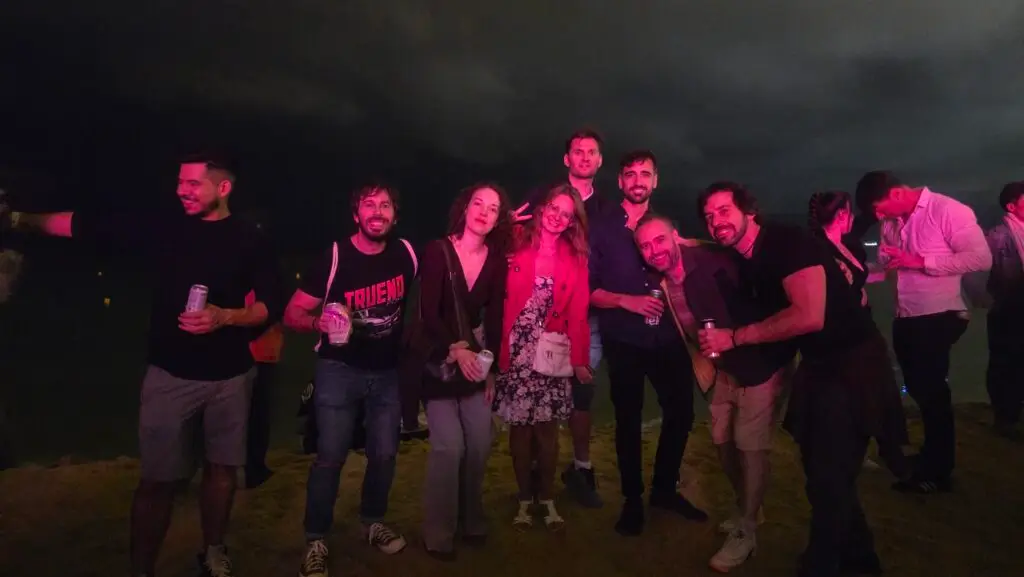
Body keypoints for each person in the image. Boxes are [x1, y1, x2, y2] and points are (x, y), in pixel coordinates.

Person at [6, 155, 284, 577]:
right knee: (157, 482)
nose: (181, 191)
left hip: (231, 377)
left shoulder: (250, 238)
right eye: (179, 182)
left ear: (223, 189)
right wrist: (19, 218)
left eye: (192, 184)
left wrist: (224, 317)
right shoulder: (165, 228)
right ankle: (142, 569)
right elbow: (83, 225)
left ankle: (213, 551)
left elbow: (269, 304)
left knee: (223, 472)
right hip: (169, 377)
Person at [698, 181, 901, 577]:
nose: (716, 221)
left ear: (749, 211)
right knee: (824, 473)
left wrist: (734, 337)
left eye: (724, 210)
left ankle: (822, 564)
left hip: (853, 364)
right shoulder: (748, 256)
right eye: (708, 216)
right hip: (819, 365)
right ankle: (860, 560)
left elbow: (809, 315)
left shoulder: (786, 243)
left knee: (829, 477)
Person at [634, 212, 793, 571]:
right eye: (645, 245)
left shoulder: (714, 262)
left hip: (757, 365)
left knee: (750, 446)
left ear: (676, 236)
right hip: (719, 370)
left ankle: (747, 531)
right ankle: (748, 507)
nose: (653, 250)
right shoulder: (660, 281)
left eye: (660, 240)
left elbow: (764, 282)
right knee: (723, 444)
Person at [283, 183, 418, 577]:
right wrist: (317, 322)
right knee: (330, 457)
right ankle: (316, 539)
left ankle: (372, 521)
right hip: (338, 370)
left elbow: (452, 260)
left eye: (386, 205)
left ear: (396, 214)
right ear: (355, 214)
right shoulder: (335, 257)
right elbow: (293, 313)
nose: (378, 212)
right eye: (369, 205)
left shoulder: (407, 254)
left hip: (388, 372)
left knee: (385, 454)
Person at [590, 150, 706, 536]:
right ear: (620, 181)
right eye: (630, 175)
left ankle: (663, 489)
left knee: (682, 412)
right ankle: (632, 500)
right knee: (627, 421)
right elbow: (586, 290)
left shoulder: (666, 226)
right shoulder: (601, 227)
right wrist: (627, 301)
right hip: (624, 338)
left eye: (645, 174)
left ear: (655, 180)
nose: (638, 180)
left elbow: (687, 266)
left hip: (668, 336)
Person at [855, 170, 992, 493]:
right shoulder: (891, 223)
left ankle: (938, 470)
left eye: (880, 209)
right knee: (919, 387)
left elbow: (981, 258)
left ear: (898, 193)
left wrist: (919, 261)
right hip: (908, 314)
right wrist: (852, 274)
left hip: (940, 314)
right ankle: (932, 455)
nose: (879, 218)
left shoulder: (948, 211)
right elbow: (889, 268)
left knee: (931, 390)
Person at [411, 183, 511, 560]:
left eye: (493, 208)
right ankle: (438, 532)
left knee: (480, 445)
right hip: (440, 362)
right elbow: (428, 313)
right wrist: (453, 348)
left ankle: (472, 518)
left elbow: (496, 317)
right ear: (464, 208)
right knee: (449, 448)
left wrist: (491, 370)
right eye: (478, 204)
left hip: (475, 362)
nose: (484, 212)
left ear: (499, 217)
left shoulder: (496, 260)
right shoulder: (438, 251)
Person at [510, 128, 608, 508]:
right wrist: (502, 223)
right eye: (577, 152)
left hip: (587, 315)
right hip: (536, 319)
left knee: (579, 396)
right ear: (567, 159)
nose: (584, 157)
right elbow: (515, 241)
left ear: (599, 161)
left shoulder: (606, 210)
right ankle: (535, 473)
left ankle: (581, 470)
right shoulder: (542, 198)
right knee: (534, 403)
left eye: (592, 152)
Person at [495, 184, 592, 531]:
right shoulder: (517, 238)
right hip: (515, 348)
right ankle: (524, 498)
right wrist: (503, 223)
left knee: (548, 430)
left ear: (571, 222)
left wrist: (580, 360)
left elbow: (579, 311)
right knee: (520, 430)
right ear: (542, 207)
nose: (557, 217)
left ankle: (547, 498)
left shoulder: (575, 255)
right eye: (554, 208)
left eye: (566, 214)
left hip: (552, 349)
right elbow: (470, 243)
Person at [807, 191, 912, 481]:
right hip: (845, 336)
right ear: (842, 215)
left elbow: (857, 278)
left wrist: (884, 272)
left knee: (876, 391)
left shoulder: (841, 246)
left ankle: (878, 450)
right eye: (849, 213)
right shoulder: (822, 251)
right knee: (870, 393)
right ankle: (885, 453)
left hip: (861, 329)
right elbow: (836, 291)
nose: (852, 219)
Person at [982, 181, 1024, 440]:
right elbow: (983, 273)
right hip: (1009, 310)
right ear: (1011, 206)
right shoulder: (997, 236)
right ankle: (1005, 417)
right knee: (1006, 363)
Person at [244, 289, 284, 489]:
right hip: (256, 354)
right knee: (257, 416)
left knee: (255, 416)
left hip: (263, 352)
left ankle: (254, 467)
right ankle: (253, 469)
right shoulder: (257, 283)